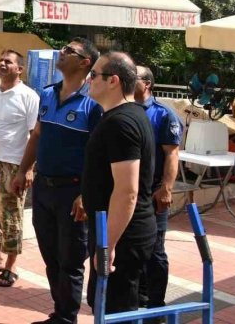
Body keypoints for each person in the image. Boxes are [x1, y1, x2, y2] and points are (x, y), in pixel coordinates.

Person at [11, 37, 103, 324]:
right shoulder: (48, 94)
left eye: (69, 51)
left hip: (73, 191)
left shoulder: (94, 103)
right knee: (51, 254)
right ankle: (59, 311)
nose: (61, 53)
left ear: (85, 62)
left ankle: (66, 318)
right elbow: (37, 136)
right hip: (43, 188)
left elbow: (99, 154)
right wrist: (24, 169)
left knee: (71, 259)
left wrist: (87, 193)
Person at [84, 52, 156, 319]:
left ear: (113, 80)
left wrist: (108, 245)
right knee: (106, 305)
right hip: (116, 230)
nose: (88, 80)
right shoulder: (122, 117)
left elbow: (127, 192)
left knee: (114, 309)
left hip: (122, 235)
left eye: (94, 75)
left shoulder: (121, 123)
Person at [0, 49, 39, 288]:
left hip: (13, 164)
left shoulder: (28, 96)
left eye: (8, 62)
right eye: (1, 60)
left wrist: (28, 168)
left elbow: (35, 134)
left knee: (11, 215)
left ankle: (12, 265)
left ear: (19, 69)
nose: (2, 64)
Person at [134, 65, 182, 318]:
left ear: (148, 84)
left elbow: (172, 154)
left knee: (155, 249)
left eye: (135, 77)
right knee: (132, 246)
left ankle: (156, 305)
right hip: (128, 190)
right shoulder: (123, 109)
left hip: (153, 191)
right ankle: (138, 297)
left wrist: (166, 188)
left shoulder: (163, 114)